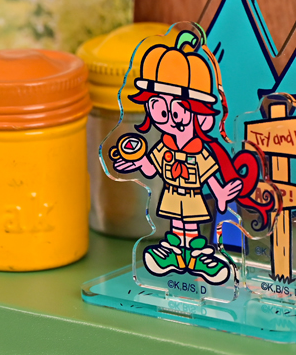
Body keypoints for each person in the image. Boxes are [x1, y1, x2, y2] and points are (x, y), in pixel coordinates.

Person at [111, 30, 274, 285]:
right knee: (177, 226)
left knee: (191, 228)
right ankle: (174, 255)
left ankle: (198, 257)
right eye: (159, 110)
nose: (168, 119)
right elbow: (151, 170)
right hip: (172, 194)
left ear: (202, 117)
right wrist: (137, 162)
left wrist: (221, 194)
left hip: (192, 196)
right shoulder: (164, 146)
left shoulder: (199, 151)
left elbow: (210, 177)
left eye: (177, 113)